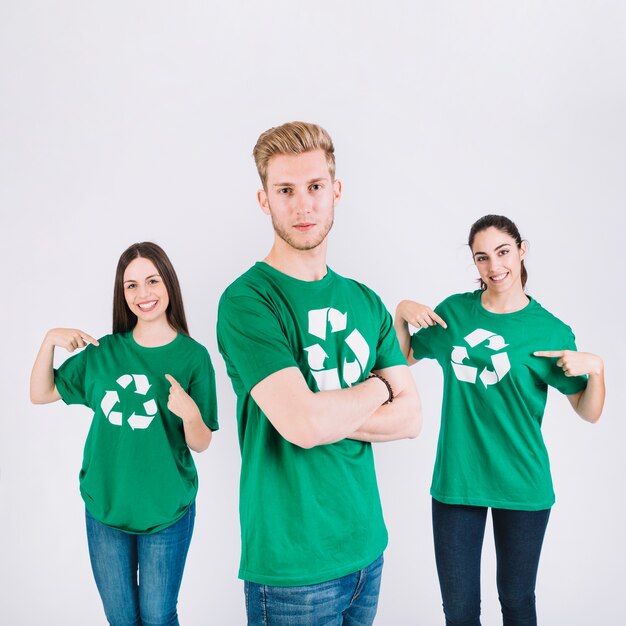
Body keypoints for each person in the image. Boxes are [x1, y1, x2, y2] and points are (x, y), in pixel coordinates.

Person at [216, 121, 422, 625]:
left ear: (336, 191)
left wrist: (319, 415)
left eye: (314, 187)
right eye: (285, 190)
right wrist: (377, 386)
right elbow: (304, 426)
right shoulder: (248, 302)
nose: (303, 204)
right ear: (264, 200)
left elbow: (411, 417)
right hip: (293, 567)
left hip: (367, 548)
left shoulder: (365, 300)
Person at [395, 214, 605, 626]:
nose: (495, 267)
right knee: (458, 611)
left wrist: (597, 369)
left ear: (522, 250)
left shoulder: (549, 330)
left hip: (522, 484)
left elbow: (588, 410)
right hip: (458, 482)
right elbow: (401, 361)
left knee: (517, 601)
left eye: (503, 252)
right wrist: (401, 313)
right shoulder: (453, 315)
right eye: (482, 257)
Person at [30, 242, 218, 626]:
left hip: (167, 510)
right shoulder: (104, 352)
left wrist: (190, 414)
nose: (142, 293)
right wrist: (50, 339)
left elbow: (201, 442)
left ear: (168, 283)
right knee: (120, 618)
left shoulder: (193, 357)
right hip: (107, 508)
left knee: (158, 615)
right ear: (122, 293)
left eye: (151, 280)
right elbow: (41, 393)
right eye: (131, 285)